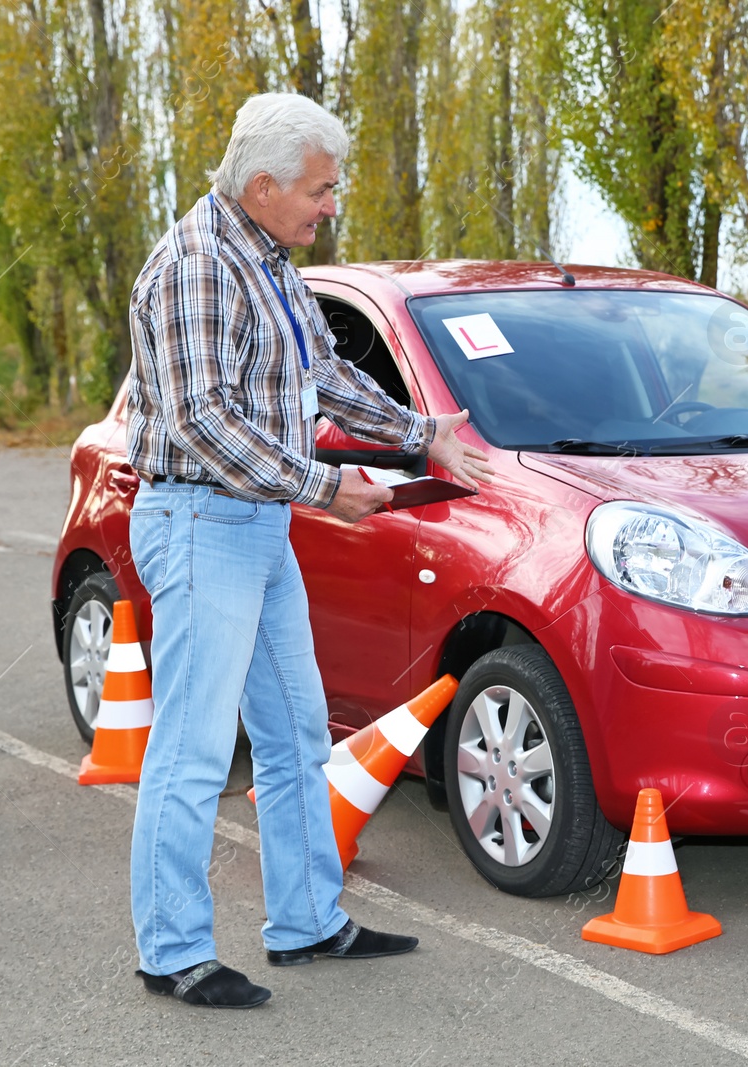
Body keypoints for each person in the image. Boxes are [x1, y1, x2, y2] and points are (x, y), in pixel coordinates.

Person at [124, 92, 494, 1008]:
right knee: (194, 750)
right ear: (262, 184)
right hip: (203, 520)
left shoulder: (269, 257)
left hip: (255, 523)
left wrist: (422, 434)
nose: (332, 204)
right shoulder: (198, 265)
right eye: (321, 189)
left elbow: (321, 372)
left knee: (294, 736)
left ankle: (307, 921)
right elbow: (203, 422)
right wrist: (328, 488)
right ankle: (172, 952)